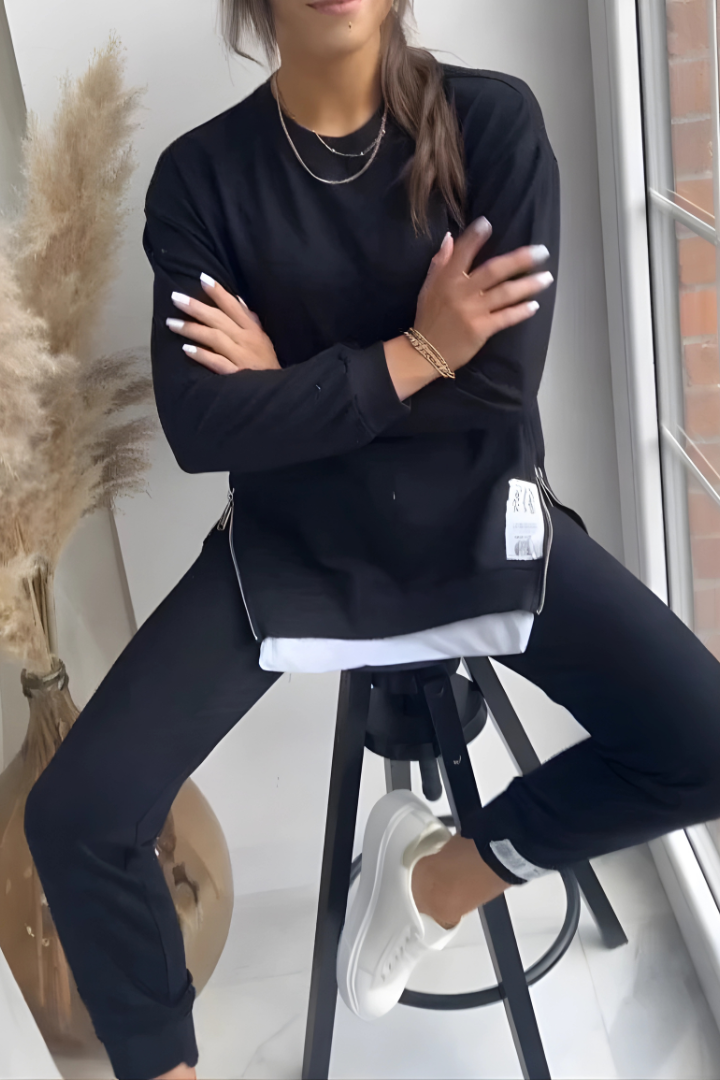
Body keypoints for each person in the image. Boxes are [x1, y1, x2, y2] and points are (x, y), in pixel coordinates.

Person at [21, 0, 720, 1077]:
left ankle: (439, 880)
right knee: (78, 812)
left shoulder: (492, 124)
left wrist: (288, 388)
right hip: (290, 558)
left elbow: (500, 381)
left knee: (703, 741)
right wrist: (418, 350)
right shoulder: (201, 178)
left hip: (482, 532)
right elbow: (204, 430)